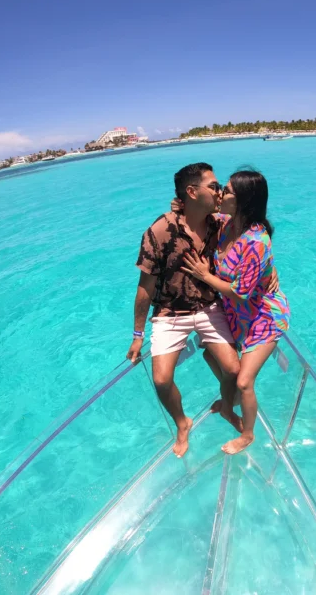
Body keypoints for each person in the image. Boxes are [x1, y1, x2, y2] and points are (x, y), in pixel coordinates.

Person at [127, 163, 242, 457]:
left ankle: (226, 406)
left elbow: (254, 230)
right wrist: (138, 334)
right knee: (162, 380)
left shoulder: (219, 223)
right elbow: (145, 287)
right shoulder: (160, 231)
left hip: (209, 305)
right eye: (214, 187)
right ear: (192, 192)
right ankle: (182, 423)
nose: (219, 192)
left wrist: (272, 268)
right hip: (169, 313)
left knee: (233, 369)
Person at [182, 170, 290, 455]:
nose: (220, 194)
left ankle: (248, 434)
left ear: (243, 201)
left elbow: (241, 292)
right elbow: (199, 212)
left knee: (243, 381)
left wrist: (204, 275)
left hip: (263, 317)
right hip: (236, 314)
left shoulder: (255, 241)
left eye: (226, 190)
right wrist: (178, 203)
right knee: (209, 354)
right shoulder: (227, 223)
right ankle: (231, 401)